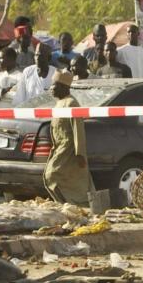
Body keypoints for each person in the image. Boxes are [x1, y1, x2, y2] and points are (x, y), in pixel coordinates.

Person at [43, 71, 91, 205]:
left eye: (55, 85)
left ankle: (75, 204)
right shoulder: (59, 103)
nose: (51, 88)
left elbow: (78, 129)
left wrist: (80, 153)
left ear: (65, 87)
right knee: (50, 177)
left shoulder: (71, 103)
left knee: (53, 175)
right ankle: (63, 204)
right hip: (59, 148)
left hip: (70, 150)